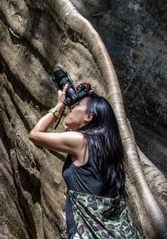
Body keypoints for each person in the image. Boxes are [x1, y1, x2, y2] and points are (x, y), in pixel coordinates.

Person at [29, 82, 142, 238]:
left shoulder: (80, 141)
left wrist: (60, 105)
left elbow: (35, 134)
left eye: (78, 105)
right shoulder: (107, 149)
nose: (72, 107)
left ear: (89, 117)